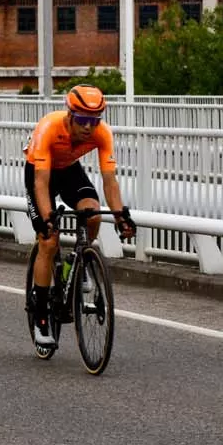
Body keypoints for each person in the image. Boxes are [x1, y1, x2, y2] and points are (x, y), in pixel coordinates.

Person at [22, 84, 136, 348]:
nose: (88, 127)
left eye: (94, 120)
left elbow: (110, 181)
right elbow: (41, 182)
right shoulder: (50, 127)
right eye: (83, 120)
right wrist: (47, 219)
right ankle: (41, 317)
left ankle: (79, 259)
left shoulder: (102, 134)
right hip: (39, 173)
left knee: (93, 213)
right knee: (48, 242)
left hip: (69, 170)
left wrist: (120, 216)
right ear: (70, 115)